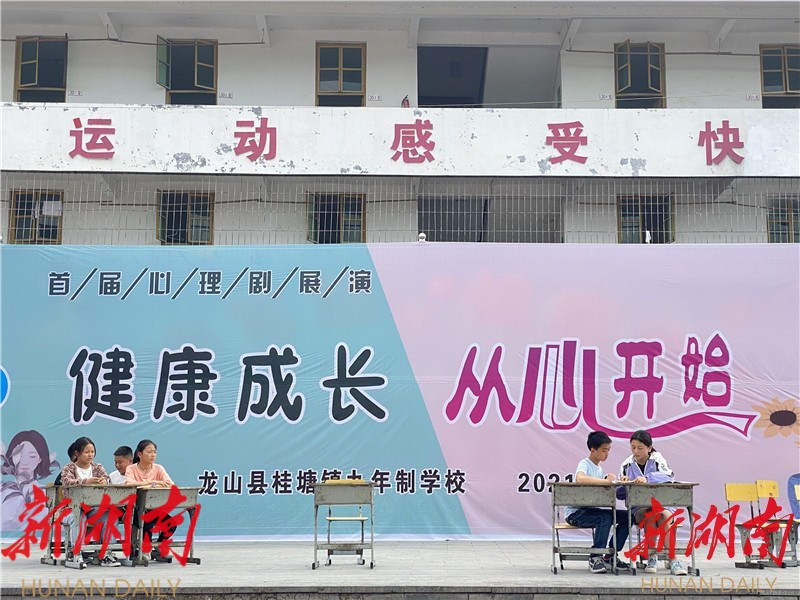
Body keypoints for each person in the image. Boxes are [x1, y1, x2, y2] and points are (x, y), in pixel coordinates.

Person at [617, 429, 687, 576]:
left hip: (661, 506)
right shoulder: (626, 465)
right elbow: (619, 495)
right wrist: (623, 483)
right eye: (633, 447)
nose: (636, 451)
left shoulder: (657, 459)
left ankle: (668, 559)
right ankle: (656, 557)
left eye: (640, 448)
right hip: (638, 508)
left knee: (660, 515)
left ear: (649, 448)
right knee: (651, 514)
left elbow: (669, 476)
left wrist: (648, 478)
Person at [563, 430, 629, 573]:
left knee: (627, 516)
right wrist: (606, 481)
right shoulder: (585, 464)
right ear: (593, 450)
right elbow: (580, 479)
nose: (607, 453)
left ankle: (611, 555)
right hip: (576, 513)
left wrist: (616, 481)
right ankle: (595, 556)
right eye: (604, 450)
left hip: (590, 510)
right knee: (604, 517)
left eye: (609, 450)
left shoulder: (599, 469)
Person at [60, 437, 120, 567]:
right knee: (79, 518)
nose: (90, 455)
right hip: (71, 508)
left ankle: (106, 554)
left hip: (93, 508)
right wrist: (86, 482)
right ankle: (76, 553)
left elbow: (108, 480)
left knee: (110, 516)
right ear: (77, 453)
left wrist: (104, 481)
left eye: (92, 452)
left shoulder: (97, 467)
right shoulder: (68, 468)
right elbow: (67, 482)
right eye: (87, 452)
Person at [1, 430, 60, 532]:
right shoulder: (3, 490)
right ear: (11, 456)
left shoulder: (45, 492)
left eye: (32, 456)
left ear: (40, 458)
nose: (24, 462)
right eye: (19, 455)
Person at [125, 439, 175, 559]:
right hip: (136, 510)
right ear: (140, 454)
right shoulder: (131, 469)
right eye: (149, 452)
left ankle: (159, 546)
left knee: (171, 524)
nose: (153, 455)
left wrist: (153, 484)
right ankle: (145, 550)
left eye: (154, 452)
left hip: (154, 508)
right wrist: (153, 483)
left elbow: (170, 484)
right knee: (146, 519)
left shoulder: (158, 468)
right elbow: (129, 484)